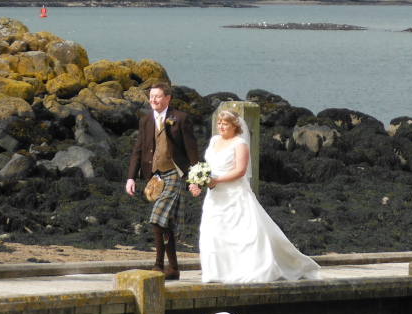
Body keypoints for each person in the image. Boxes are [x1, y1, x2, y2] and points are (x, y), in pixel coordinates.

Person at [191, 110, 321, 283]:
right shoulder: (214, 140)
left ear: (234, 126)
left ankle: (252, 268)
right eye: (219, 123)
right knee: (212, 232)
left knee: (243, 234)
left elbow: (240, 171)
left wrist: (216, 180)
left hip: (234, 194)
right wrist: (198, 181)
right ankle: (216, 272)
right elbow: (207, 166)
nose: (221, 126)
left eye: (225, 124)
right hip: (214, 196)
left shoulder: (239, 144)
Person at [126, 83, 200, 280]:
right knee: (164, 223)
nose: (153, 100)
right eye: (151, 96)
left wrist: (195, 179)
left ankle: (158, 266)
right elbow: (138, 150)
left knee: (157, 217)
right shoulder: (145, 121)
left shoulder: (181, 119)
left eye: (158, 96)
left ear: (168, 98)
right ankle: (173, 268)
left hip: (175, 173)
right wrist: (131, 177)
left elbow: (192, 151)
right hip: (156, 177)